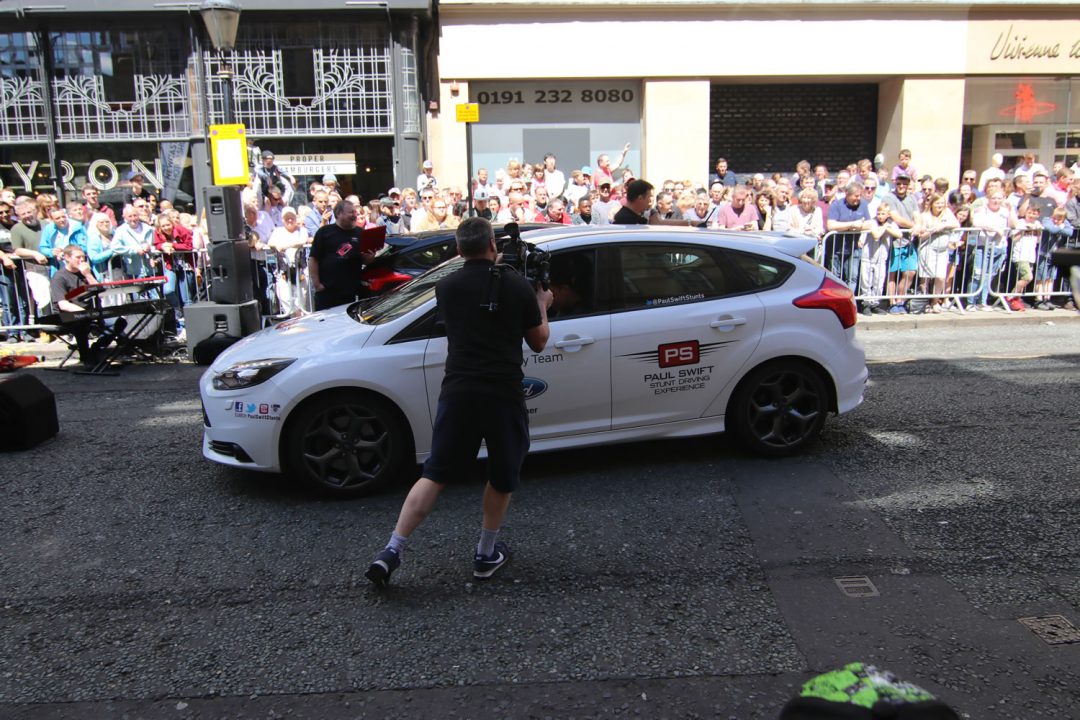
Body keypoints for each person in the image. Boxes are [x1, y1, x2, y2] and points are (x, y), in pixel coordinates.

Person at [365, 217, 552, 588]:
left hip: (459, 391)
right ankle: (485, 553)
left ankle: (391, 550)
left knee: (435, 473)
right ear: (493, 246)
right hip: (503, 393)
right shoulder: (516, 286)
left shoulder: (446, 287)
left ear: (458, 248)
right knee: (501, 474)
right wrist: (542, 303)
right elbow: (539, 341)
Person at [308, 200, 376, 311]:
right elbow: (313, 259)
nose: (355, 215)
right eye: (351, 212)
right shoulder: (324, 232)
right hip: (328, 292)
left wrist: (370, 256)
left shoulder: (360, 233)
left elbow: (365, 261)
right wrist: (317, 284)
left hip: (351, 292)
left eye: (355, 212)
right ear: (339, 213)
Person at [47, 244, 101, 365]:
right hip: (67, 315)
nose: (82, 260)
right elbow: (63, 304)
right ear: (67, 257)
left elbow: (100, 291)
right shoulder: (59, 277)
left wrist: (88, 274)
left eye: (83, 257)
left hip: (88, 312)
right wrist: (84, 313)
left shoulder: (85, 272)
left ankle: (97, 350)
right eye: (78, 257)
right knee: (81, 324)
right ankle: (86, 358)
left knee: (118, 322)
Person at [915, 193, 960, 312]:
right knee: (925, 277)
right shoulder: (925, 216)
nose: (940, 205)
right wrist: (933, 230)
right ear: (932, 204)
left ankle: (935, 302)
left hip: (942, 250)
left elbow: (956, 224)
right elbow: (921, 236)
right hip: (927, 248)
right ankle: (924, 303)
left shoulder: (947, 213)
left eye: (942, 203)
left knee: (940, 277)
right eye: (937, 203)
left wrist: (943, 225)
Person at [859, 204, 901, 315]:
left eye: (883, 214)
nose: (880, 216)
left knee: (879, 281)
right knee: (866, 280)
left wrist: (888, 227)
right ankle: (866, 303)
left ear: (888, 214)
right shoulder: (872, 222)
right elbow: (876, 235)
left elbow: (899, 234)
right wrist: (884, 228)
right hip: (868, 256)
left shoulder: (891, 224)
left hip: (882, 257)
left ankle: (875, 303)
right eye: (879, 214)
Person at [1034, 206, 1073, 310]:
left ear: (1063, 219)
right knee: (1041, 277)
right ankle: (1039, 300)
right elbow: (1051, 229)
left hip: (1054, 255)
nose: (1056, 220)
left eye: (1059, 219)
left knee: (1050, 278)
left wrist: (1061, 227)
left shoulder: (1066, 223)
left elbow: (1070, 232)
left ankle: (1047, 298)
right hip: (1044, 254)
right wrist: (1061, 227)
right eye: (1055, 218)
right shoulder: (1046, 220)